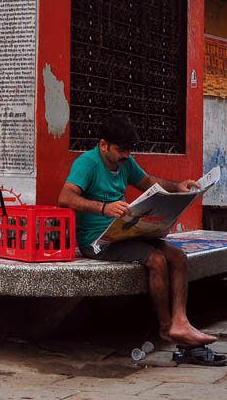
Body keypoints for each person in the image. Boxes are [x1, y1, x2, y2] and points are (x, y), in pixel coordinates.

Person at [58, 115, 216, 349]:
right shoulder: (87, 164)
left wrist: (177, 186)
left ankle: (181, 322)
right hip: (97, 241)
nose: (125, 156)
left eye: (128, 151)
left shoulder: (125, 162)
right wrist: (104, 208)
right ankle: (165, 327)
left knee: (178, 257)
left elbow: (148, 182)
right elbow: (65, 197)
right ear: (103, 145)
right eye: (120, 150)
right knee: (156, 260)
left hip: (124, 233)